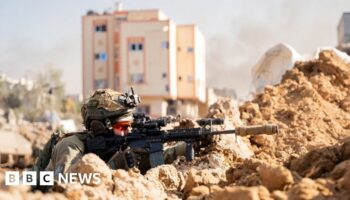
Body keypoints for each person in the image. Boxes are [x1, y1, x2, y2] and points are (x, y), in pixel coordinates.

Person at [34, 88, 186, 177]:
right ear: (100, 126)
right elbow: (68, 184)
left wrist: (184, 148)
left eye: (130, 125)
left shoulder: (119, 144)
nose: (129, 131)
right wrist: (117, 163)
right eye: (123, 126)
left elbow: (152, 162)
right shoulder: (71, 146)